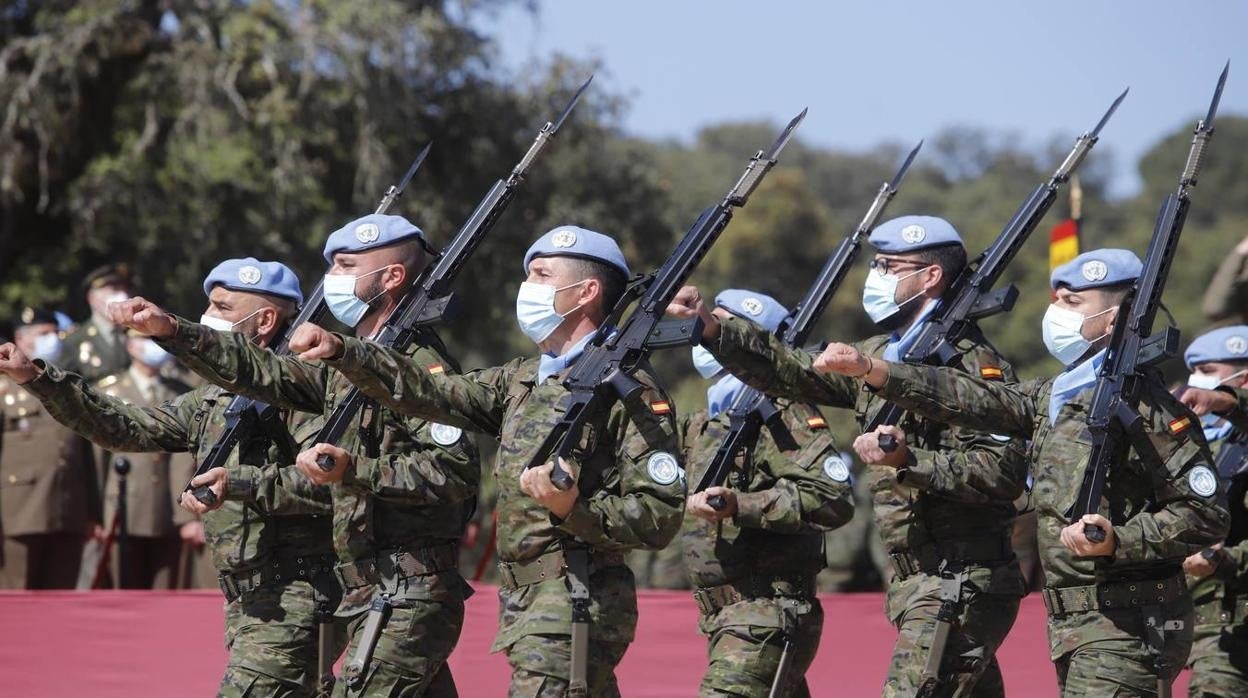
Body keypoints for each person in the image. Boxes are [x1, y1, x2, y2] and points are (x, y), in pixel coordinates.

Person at [811, 248, 1229, 696]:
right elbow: (971, 397)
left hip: (1131, 624)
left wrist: (1117, 541)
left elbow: (1205, 514)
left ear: (1113, 318)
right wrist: (873, 370)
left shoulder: (1150, 409)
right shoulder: (1057, 396)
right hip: (1079, 624)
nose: (1057, 311)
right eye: (1057, 299)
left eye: (1073, 302)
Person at [288, 225, 685, 696]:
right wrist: (346, 352)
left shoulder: (629, 389)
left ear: (586, 292)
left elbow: (659, 515)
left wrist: (572, 507)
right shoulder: (522, 380)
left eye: (542, 275)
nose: (527, 287)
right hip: (528, 604)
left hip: (576, 603)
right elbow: (431, 391)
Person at [669, 216, 1028, 696]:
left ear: (930, 276)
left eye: (889, 266)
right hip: (920, 581)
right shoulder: (880, 353)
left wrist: (909, 461)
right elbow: (792, 371)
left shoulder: (973, 365)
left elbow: (1004, 471)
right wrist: (712, 328)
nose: (875, 275)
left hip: (961, 581)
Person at [144, 216, 478, 696]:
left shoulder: (420, 366)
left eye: (345, 265)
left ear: (391, 277)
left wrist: (353, 471)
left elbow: (455, 471)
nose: (331, 278)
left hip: (408, 586)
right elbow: (261, 372)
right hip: (366, 586)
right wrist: (173, 331)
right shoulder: (348, 363)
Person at [1, 260, 348, 696]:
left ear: (264, 321)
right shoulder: (215, 399)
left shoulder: (311, 392)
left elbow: (331, 485)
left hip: (299, 592)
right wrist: (38, 378)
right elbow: (125, 427)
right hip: (250, 598)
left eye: (223, 307)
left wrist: (237, 484)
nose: (208, 316)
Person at [682, 289, 854, 697]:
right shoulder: (707, 420)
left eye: (725, 324)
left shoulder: (785, 411)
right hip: (726, 616)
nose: (709, 329)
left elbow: (833, 497)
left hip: (766, 614)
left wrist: (740, 505)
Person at [1172, 326, 1248, 696]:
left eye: (1207, 371)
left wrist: (1227, 560)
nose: (1197, 381)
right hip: (1221, 626)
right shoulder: (1224, 445)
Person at [0, 307, 100, 589]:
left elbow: (87, 456)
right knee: (16, 602)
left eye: (55, 333)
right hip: (17, 517)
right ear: (21, 339)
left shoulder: (69, 385)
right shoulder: (4, 391)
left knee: (61, 602)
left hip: (68, 513)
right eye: (44, 333)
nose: (53, 339)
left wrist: (93, 513)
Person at [92, 330, 198, 589]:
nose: (155, 346)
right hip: (123, 509)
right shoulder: (109, 392)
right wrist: (95, 516)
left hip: (168, 512)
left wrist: (187, 517)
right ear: (130, 345)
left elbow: (187, 458)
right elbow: (96, 463)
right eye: (146, 340)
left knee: (166, 595)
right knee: (125, 591)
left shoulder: (182, 392)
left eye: (157, 340)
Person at [64, 263, 135, 380]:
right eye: (110, 290)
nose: (119, 295)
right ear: (91, 297)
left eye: (120, 289)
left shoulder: (138, 332)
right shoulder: (75, 340)